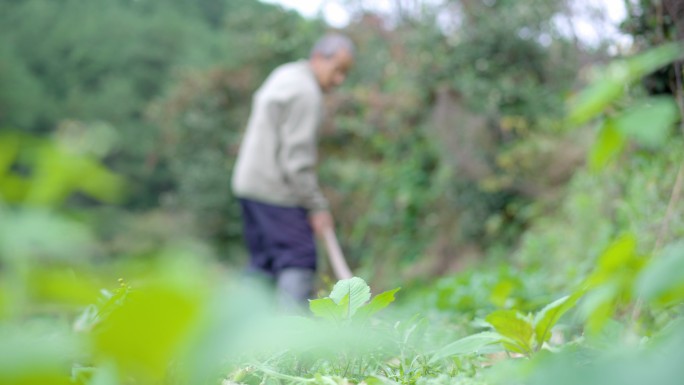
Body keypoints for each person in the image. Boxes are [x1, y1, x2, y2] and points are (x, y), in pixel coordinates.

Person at [231, 33, 354, 308]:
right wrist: (316, 206)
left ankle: (240, 334)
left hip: (248, 184)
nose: (339, 81)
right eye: (337, 71)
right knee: (298, 257)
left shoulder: (285, 74)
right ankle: (291, 344)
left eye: (345, 74)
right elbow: (297, 161)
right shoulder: (306, 93)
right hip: (276, 189)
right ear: (319, 58)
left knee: (263, 264)